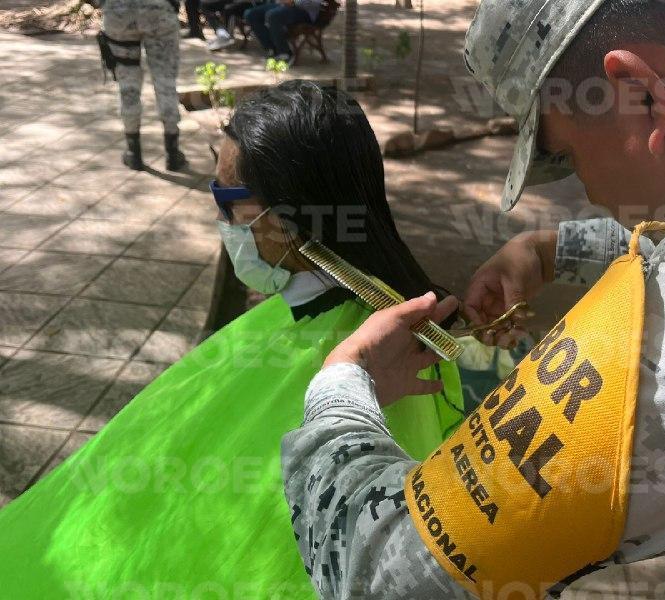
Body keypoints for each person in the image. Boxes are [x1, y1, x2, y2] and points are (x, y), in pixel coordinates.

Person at [282, 1, 665, 599]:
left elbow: (383, 573)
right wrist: (550, 251)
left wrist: (340, 385)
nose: (590, 191)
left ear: (642, 96)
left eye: (569, 157)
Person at [0, 81, 464, 597]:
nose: (221, 220)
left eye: (227, 201)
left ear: (289, 220)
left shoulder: (383, 357)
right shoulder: (350, 318)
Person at [101, 0, 187, 171]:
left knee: (127, 84)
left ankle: (133, 152)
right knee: (165, 80)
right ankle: (172, 152)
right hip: (159, 11)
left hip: (119, 13)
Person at [245, 0, 321, 61]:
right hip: (283, 5)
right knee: (252, 14)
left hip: (304, 10)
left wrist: (294, 1)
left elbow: (315, 3)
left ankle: (284, 52)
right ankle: (272, 47)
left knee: (273, 15)